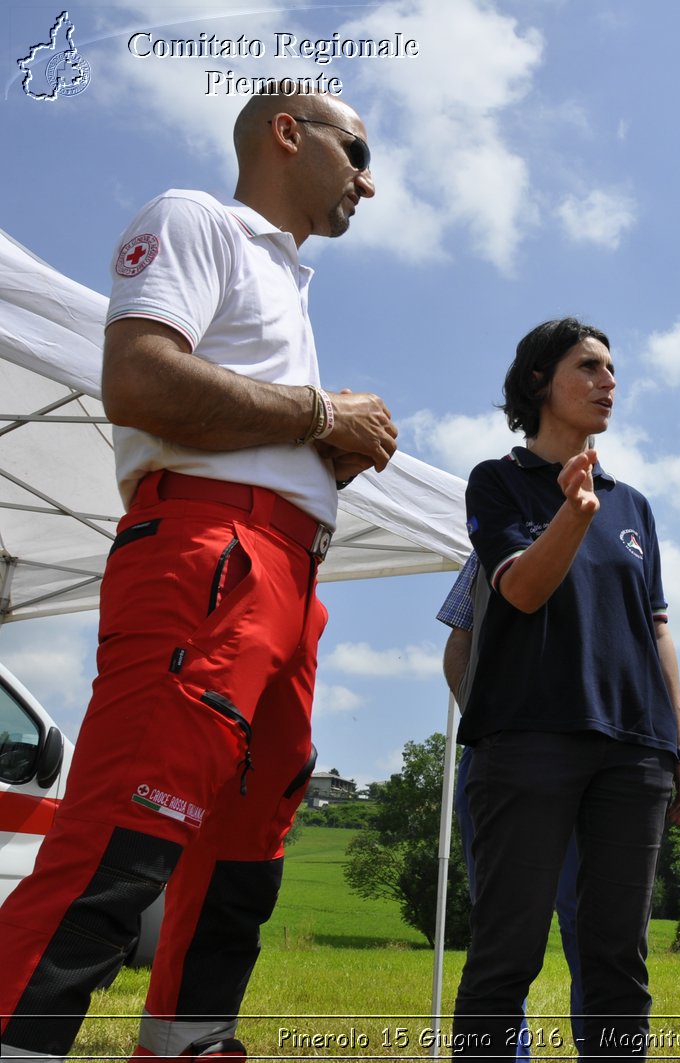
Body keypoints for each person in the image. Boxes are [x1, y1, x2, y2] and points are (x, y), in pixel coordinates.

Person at [0, 84, 395, 1059]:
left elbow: (240, 412)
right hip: (209, 558)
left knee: (241, 862)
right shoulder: (196, 219)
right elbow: (137, 378)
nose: (369, 182)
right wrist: (315, 418)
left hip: (289, 580)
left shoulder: (290, 282)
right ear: (287, 134)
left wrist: (320, 449)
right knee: (124, 835)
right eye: (357, 150)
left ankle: (186, 1046)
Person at [451, 318, 680, 1060]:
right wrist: (571, 513)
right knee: (507, 953)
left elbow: (657, 628)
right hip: (526, 743)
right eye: (589, 366)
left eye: (613, 369)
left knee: (618, 963)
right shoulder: (495, 483)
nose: (609, 381)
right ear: (539, 381)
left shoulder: (634, 506)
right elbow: (522, 590)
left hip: (636, 754)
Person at [438, 552, 583, 1055]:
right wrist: (485, 722)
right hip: (499, 756)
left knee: (595, 934)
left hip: (591, 763)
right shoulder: (493, 540)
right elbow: (459, 640)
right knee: (501, 930)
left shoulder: (613, 537)